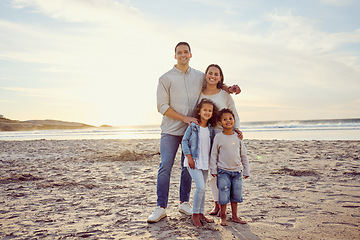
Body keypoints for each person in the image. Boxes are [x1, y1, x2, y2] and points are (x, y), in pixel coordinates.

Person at [148, 42, 241, 223]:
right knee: (165, 165)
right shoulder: (165, 78)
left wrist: (228, 88)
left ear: (191, 55)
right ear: (175, 55)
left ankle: (184, 202)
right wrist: (185, 118)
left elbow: (214, 83)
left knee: (188, 168)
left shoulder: (198, 75)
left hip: (195, 132)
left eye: (186, 52)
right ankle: (160, 207)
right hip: (171, 130)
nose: (183, 55)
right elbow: (162, 107)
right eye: (179, 52)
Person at [198, 64, 242, 216]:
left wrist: (236, 130)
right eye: (210, 73)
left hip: (222, 134)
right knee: (212, 171)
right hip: (204, 134)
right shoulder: (199, 92)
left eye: (216, 74)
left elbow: (233, 113)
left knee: (225, 168)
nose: (213, 76)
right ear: (206, 75)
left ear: (220, 77)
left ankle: (228, 203)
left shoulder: (224, 94)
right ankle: (217, 204)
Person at [210, 108, 250, 226]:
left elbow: (243, 154)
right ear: (220, 123)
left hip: (237, 172)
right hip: (223, 171)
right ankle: (223, 216)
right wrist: (213, 169)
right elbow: (214, 154)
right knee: (223, 194)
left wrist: (246, 169)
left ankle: (235, 216)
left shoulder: (238, 137)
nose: (228, 121)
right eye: (225, 119)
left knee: (235, 195)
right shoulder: (218, 137)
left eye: (230, 118)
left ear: (234, 120)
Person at [181, 98, 218, 227]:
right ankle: (195, 215)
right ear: (199, 112)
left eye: (210, 110)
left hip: (205, 161)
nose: (207, 112)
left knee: (203, 189)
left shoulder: (210, 129)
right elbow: (184, 141)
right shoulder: (193, 126)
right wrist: (189, 156)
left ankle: (201, 213)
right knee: (200, 187)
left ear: (212, 113)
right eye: (205, 110)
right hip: (193, 161)